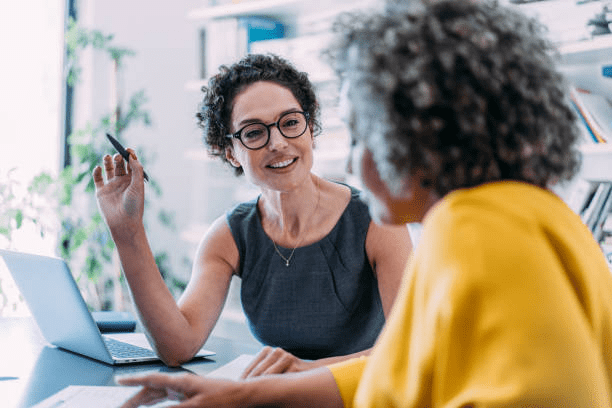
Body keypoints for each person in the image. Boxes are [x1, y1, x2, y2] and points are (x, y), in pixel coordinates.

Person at [117, 0, 612, 407]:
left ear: (415, 135)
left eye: (359, 137)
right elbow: (405, 365)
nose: (352, 166)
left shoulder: (477, 229)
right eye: (254, 133)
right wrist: (250, 395)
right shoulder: (525, 214)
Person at [92, 54, 411, 374]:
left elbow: (411, 346)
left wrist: (305, 373)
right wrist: (127, 230)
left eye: (290, 123)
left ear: (310, 129)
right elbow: (177, 346)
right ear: (230, 152)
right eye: (254, 132)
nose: (278, 143)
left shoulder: (377, 219)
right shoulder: (229, 236)